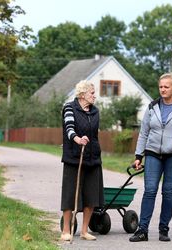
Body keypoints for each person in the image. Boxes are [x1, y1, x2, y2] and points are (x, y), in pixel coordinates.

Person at [129, 72, 172, 242]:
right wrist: (139, 155)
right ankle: (142, 230)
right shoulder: (152, 106)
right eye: (161, 86)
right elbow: (144, 132)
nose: (162, 89)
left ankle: (163, 229)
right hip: (153, 153)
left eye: (166, 86)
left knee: (167, 191)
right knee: (150, 190)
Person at [60, 80, 104, 241]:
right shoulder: (70, 108)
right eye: (92, 93)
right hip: (74, 158)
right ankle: (65, 230)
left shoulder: (95, 112)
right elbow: (69, 128)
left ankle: (84, 231)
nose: (94, 96)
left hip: (93, 158)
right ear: (82, 94)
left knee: (91, 195)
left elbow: (94, 135)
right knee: (70, 194)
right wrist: (78, 139)